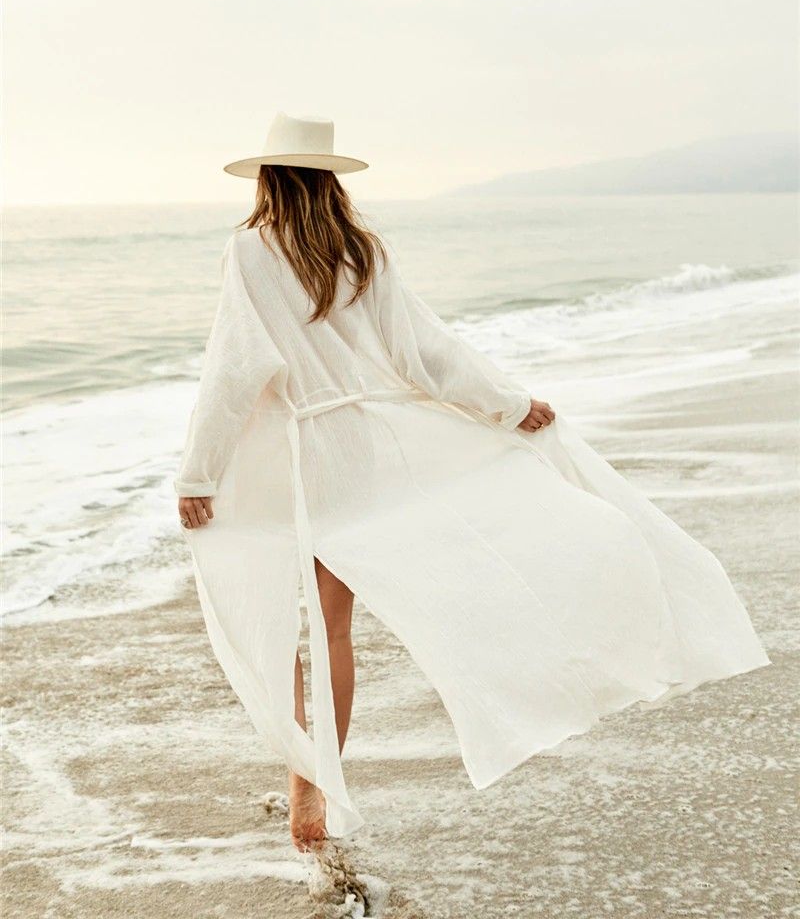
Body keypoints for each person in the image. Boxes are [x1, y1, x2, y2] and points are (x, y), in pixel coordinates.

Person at [175, 113, 769, 854]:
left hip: (295, 456)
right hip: (363, 454)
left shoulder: (249, 250)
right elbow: (425, 353)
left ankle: (303, 766)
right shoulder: (362, 250)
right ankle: (317, 778)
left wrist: (200, 470)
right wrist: (508, 405)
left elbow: (235, 366)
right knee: (334, 628)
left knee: (273, 615)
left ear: (268, 176)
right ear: (328, 178)